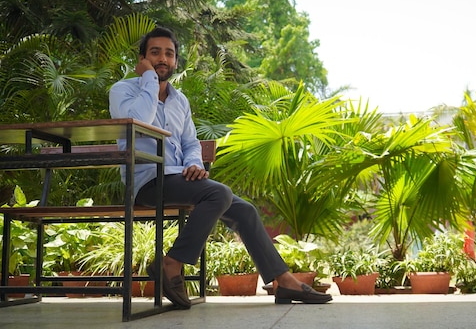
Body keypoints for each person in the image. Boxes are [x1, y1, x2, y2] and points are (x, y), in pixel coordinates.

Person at [109, 26, 332, 308]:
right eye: (155, 53)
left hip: (178, 178)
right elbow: (139, 119)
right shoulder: (122, 90)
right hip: (146, 182)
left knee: (245, 210)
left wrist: (193, 164)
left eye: (169, 53)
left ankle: (283, 281)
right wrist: (149, 79)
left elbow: (190, 143)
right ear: (142, 59)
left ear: (176, 61)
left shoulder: (180, 101)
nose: (163, 59)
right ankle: (171, 265)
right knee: (219, 194)